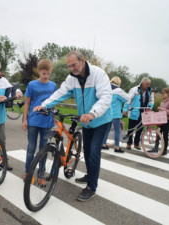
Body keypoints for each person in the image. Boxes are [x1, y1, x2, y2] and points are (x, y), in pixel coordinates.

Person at [34, 51, 112, 201]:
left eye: (74, 65)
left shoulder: (98, 74)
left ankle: (91, 187)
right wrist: (44, 105)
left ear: (82, 60)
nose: (72, 69)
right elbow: (61, 93)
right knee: (88, 151)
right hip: (86, 120)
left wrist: (92, 113)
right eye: (69, 66)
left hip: (100, 119)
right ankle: (90, 175)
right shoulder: (72, 78)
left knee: (94, 152)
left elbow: (106, 97)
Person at [22, 59, 57, 182]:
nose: (46, 76)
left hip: (47, 122)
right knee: (31, 149)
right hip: (33, 121)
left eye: (48, 73)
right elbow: (27, 103)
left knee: (44, 149)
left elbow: (53, 103)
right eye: (44, 73)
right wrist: (25, 119)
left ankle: (41, 175)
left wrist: (54, 117)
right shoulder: (32, 85)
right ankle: (28, 172)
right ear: (38, 71)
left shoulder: (53, 85)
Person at [123, 77, 154, 150]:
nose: (148, 86)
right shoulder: (134, 90)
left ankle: (136, 143)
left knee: (140, 129)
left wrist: (150, 107)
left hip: (144, 113)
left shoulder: (150, 91)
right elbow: (128, 100)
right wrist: (125, 110)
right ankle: (129, 143)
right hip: (135, 112)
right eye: (147, 84)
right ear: (142, 83)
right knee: (131, 128)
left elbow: (151, 101)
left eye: (149, 84)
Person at [102, 76, 130, 153]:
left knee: (106, 130)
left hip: (107, 113)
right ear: (118, 82)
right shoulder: (118, 90)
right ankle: (117, 147)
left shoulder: (106, 88)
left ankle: (103, 144)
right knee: (117, 131)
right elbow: (127, 98)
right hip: (115, 114)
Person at [156, 87, 169, 156]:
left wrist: (162, 109)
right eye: (162, 93)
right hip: (161, 119)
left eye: (164, 93)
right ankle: (156, 148)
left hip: (167, 120)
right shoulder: (164, 100)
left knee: (165, 135)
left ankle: (164, 150)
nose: (162, 94)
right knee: (158, 134)